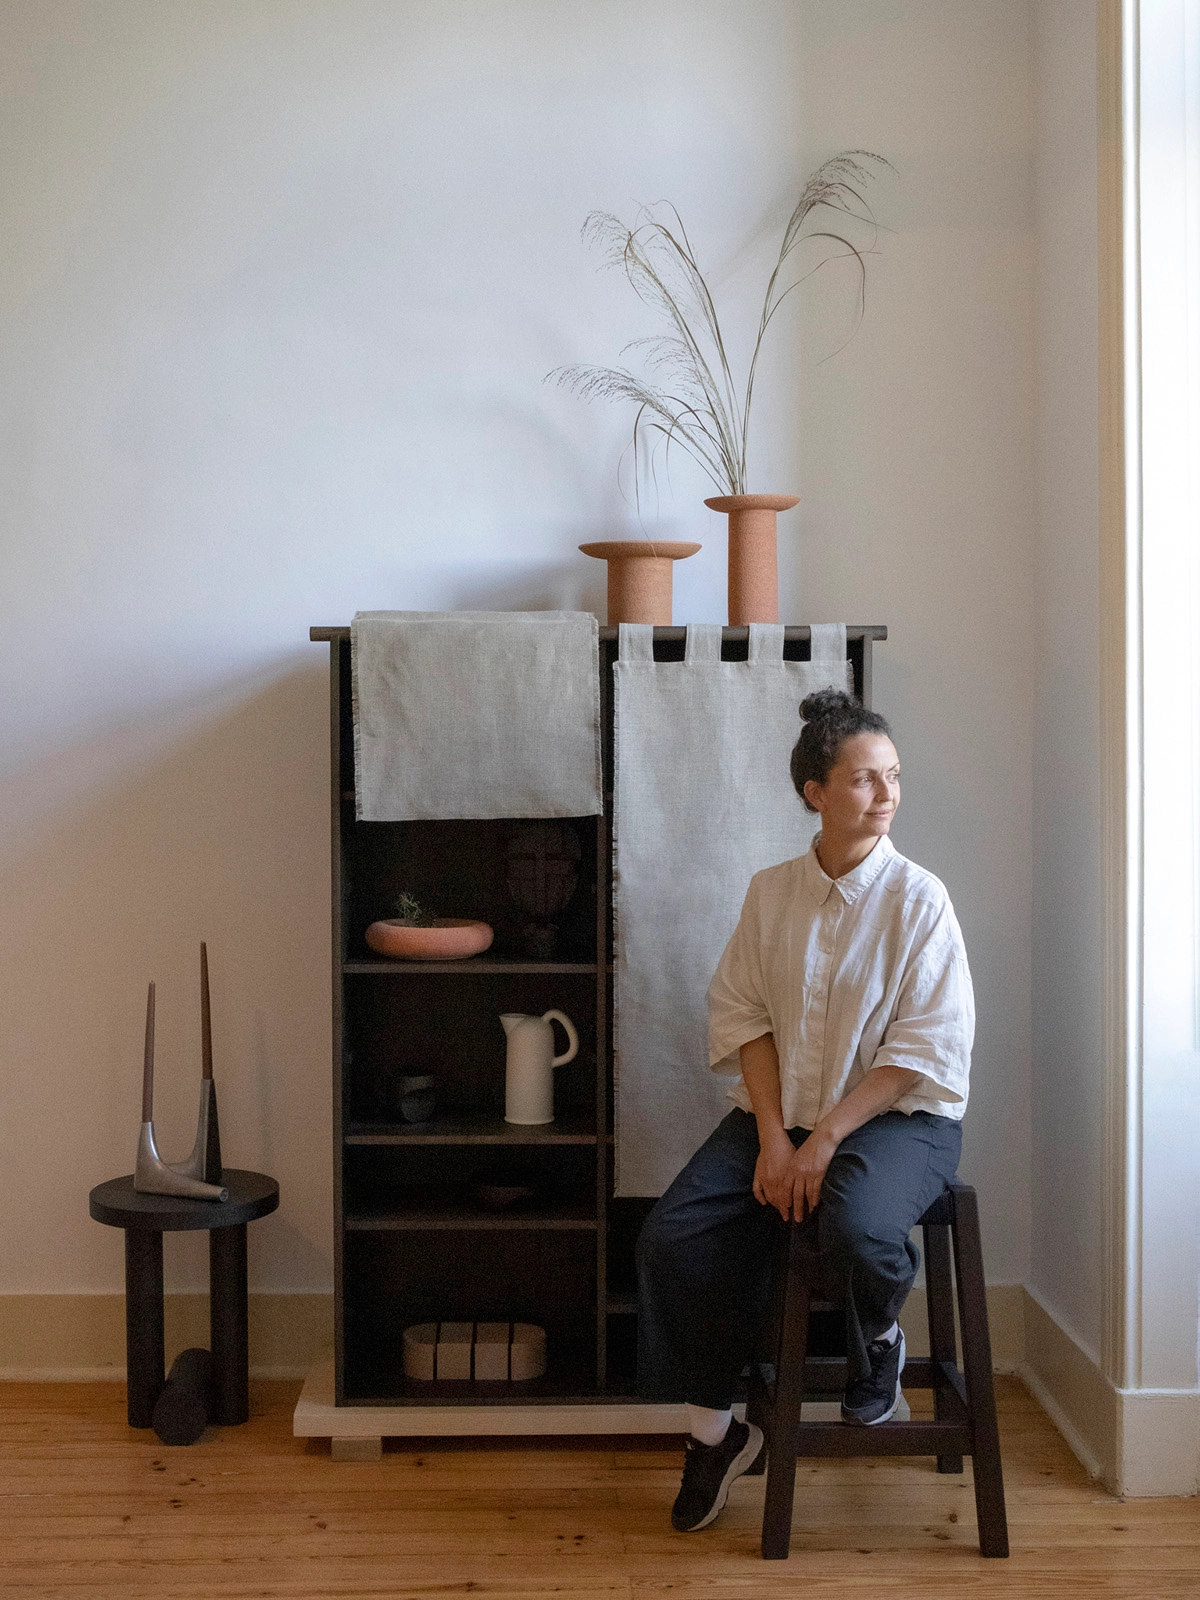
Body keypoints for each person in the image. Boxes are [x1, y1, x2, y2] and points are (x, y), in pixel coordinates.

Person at [635, 687, 974, 1533]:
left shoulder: (920, 900)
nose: (887, 794)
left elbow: (917, 1053)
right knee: (674, 1238)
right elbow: (745, 1017)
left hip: (901, 1119)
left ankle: (882, 1340)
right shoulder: (771, 893)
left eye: (893, 776)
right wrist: (770, 1138)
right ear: (814, 791)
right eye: (864, 779)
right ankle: (715, 1434)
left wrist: (818, 1140)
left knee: (857, 1229)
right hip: (782, 1113)